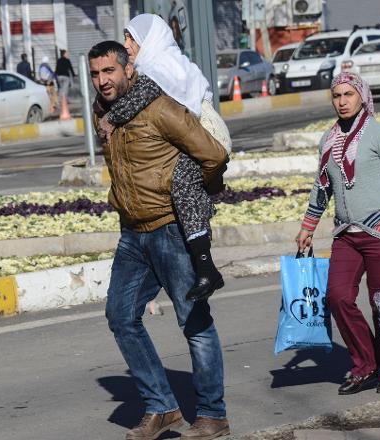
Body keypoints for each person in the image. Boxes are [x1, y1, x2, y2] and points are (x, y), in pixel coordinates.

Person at [89, 40, 230, 440]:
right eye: (96, 74)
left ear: (127, 69)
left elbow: (214, 155)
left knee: (195, 323)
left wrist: (185, 190)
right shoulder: (106, 114)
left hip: (170, 228)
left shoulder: (160, 108)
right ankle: (162, 407)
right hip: (132, 234)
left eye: (109, 71)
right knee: (120, 316)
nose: (102, 80)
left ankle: (212, 415)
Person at [296, 72, 380, 395]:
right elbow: (321, 187)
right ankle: (366, 364)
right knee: (337, 296)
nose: (342, 101)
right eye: (337, 96)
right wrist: (308, 226)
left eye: (348, 95)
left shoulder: (379, 134)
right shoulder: (328, 139)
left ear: (362, 96)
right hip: (346, 234)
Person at [101, 13, 231, 303]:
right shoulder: (156, 64)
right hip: (197, 132)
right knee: (184, 184)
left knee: (183, 182)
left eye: (132, 38)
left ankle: (207, 268)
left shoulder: (162, 65)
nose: (127, 44)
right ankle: (206, 268)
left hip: (209, 132)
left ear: (150, 40)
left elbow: (142, 96)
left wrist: (111, 117)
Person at [55, 49, 75, 119]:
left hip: (59, 76)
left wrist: (56, 77)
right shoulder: (67, 60)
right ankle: (64, 101)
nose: (67, 54)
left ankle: (60, 100)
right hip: (65, 76)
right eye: (66, 53)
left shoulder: (58, 60)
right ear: (64, 54)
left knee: (61, 89)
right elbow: (70, 68)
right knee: (65, 89)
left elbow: (56, 69)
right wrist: (74, 75)